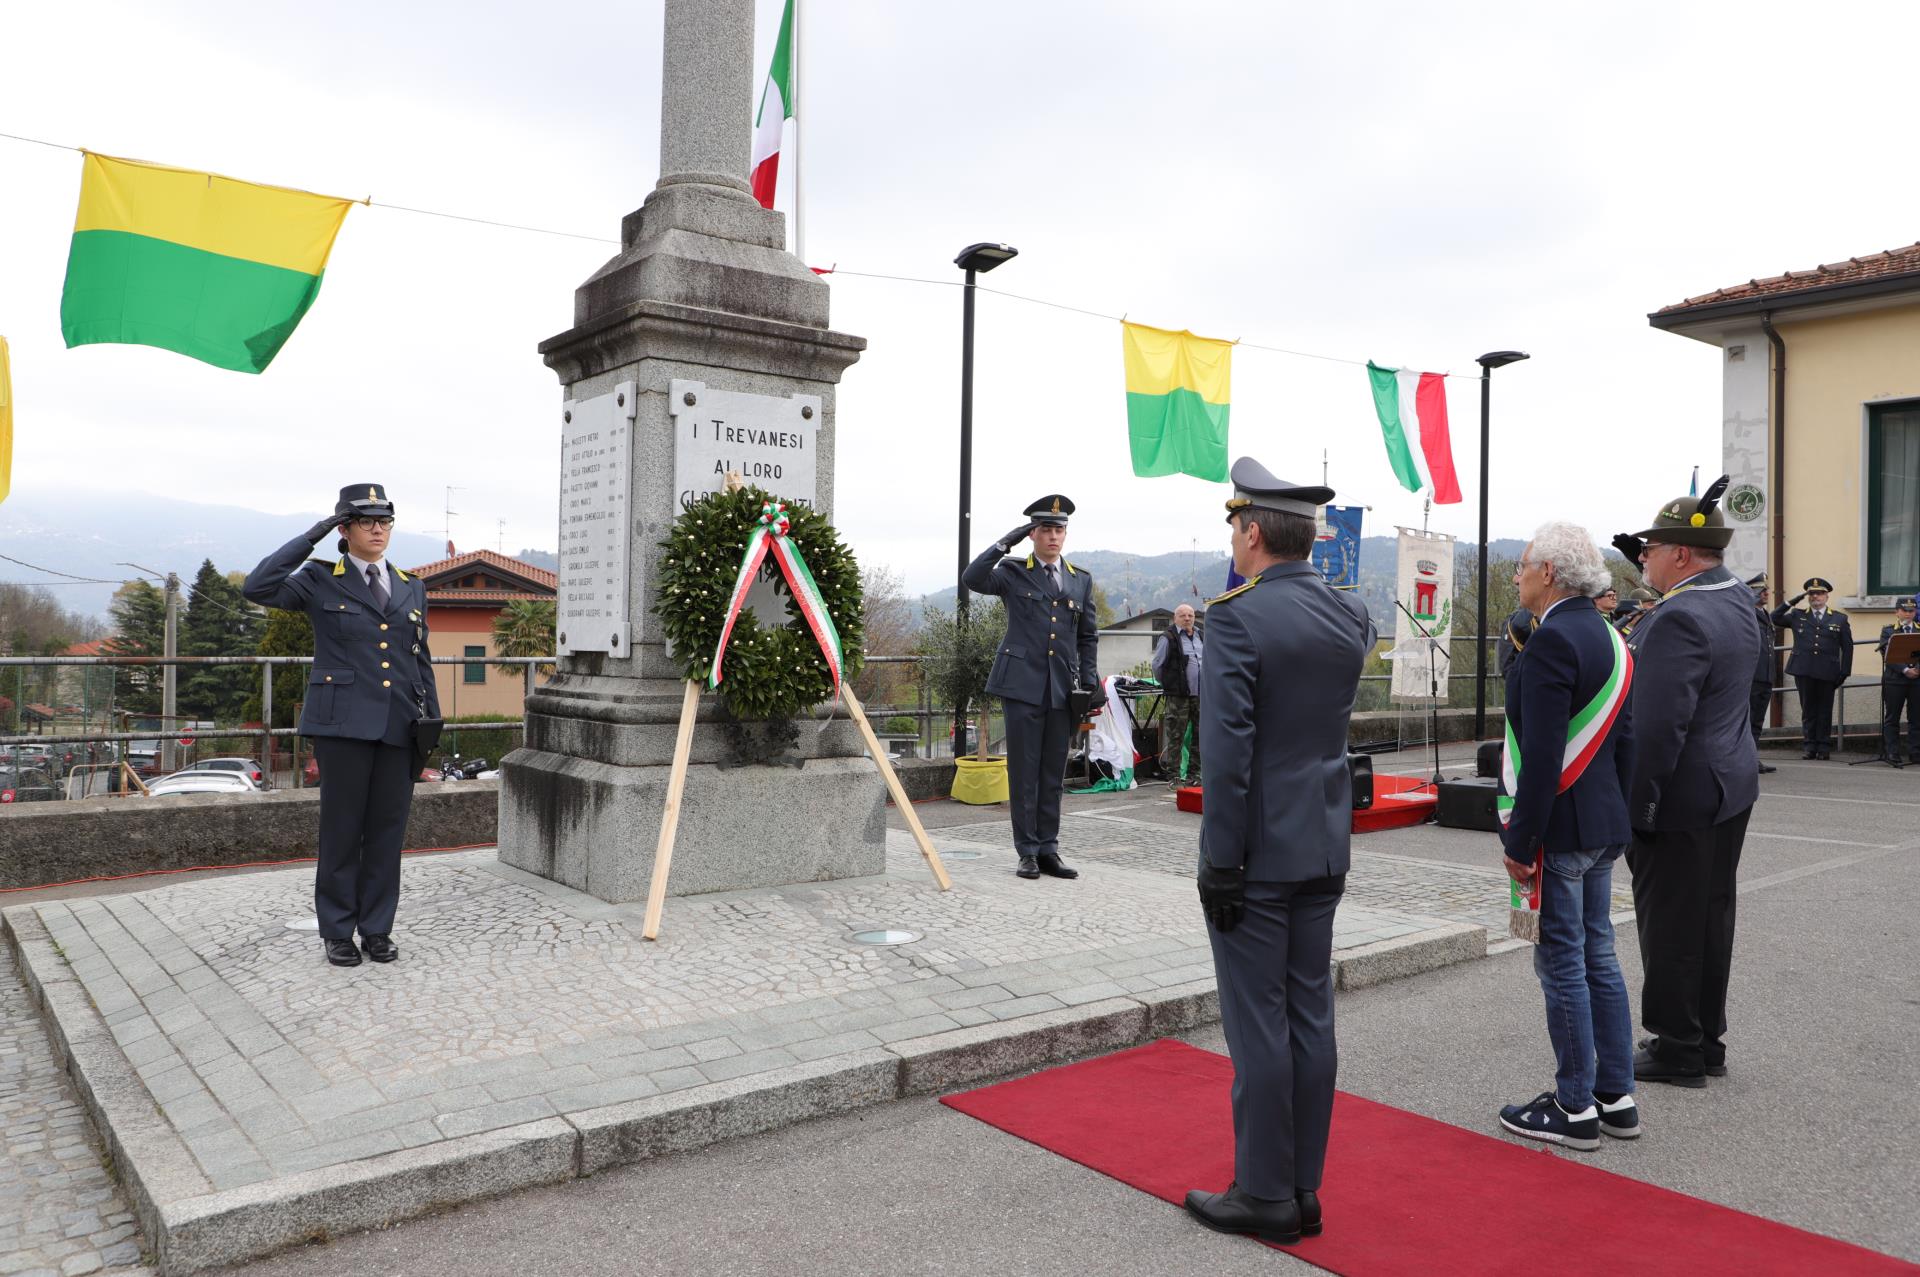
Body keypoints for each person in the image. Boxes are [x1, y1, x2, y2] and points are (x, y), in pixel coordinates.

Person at [1183, 458, 1375, 1246]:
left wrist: (1221, 861)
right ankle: (1303, 1187)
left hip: (1257, 852)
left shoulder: (1235, 618)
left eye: (1235, 525)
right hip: (1324, 844)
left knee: (1259, 1023)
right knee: (1309, 1016)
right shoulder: (1349, 615)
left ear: (1253, 531)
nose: (1234, 538)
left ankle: (1264, 1193)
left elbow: (1228, 751)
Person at [243, 484, 440, 968]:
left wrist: (431, 721)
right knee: (341, 832)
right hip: (343, 726)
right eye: (366, 521)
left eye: (385, 521)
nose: (378, 529)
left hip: (399, 726)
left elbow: (420, 660)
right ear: (344, 529)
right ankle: (336, 931)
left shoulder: (410, 584)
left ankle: (376, 929)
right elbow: (257, 586)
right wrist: (314, 535)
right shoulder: (318, 578)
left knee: (387, 833)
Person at [1614, 477, 1764, 1088]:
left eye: (1649, 549)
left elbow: (1656, 732)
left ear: (1680, 554)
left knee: (1671, 924)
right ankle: (1706, 1039)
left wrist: (1638, 810)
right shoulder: (1735, 600)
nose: (1642, 558)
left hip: (1681, 795)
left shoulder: (1677, 618)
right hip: (1729, 785)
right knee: (1710, 918)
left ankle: (1677, 1048)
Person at [1494, 524, 1638, 1153]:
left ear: (1549, 572)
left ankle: (1575, 1106)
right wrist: (1617, 816)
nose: (1518, 575)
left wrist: (1520, 844)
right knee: (1598, 956)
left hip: (1561, 830)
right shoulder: (1612, 636)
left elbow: (1544, 755)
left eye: (1523, 566)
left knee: (1562, 965)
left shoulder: (1552, 642)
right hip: (1603, 823)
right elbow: (1628, 743)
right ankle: (1617, 1095)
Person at [962, 494, 1101, 880]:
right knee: (1025, 772)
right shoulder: (1012, 571)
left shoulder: (1080, 580)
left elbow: (1088, 636)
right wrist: (1006, 542)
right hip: (1022, 685)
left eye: (1059, 530)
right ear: (1033, 534)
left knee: (1053, 773)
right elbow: (973, 578)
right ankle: (1025, 851)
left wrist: (1089, 681)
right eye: (1045, 530)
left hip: (1062, 689)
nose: (1053, 537)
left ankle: (1048, 850)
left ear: (1065, 535)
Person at [1770, 577, 1853, 759]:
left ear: (1826, 596)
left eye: (1820, 593)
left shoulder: (1839, 618)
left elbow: (1847, 647)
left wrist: (1845, 671)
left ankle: (1823, 747)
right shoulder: (1797, 615)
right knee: (1808, 710)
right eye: (1812, 593)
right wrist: (1791, 601)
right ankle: (1809, 746)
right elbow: (1774, 617)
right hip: (1804, 670)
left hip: (1827, 671)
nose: (1816, 597)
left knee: (1824, 710)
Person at [1151, 603, 1204, 783]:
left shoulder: (1200, 636)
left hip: (1201, 695)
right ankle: (1173, 776)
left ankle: (1194, 775)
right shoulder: (1168, 637)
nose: (1187, 618)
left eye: (1190, 615)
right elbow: (1157, 665)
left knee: (1200, 736)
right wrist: (1170, 684)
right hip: (1178, 695)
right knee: (1176, 736)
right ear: (1175, 618)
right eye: (1183, 615)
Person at [1877, 596, 1920, 767]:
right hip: (1895, 680)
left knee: (1916, 718)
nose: (1908, 614)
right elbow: (1887, 655)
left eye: (1912, 610)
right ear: (1897, 612)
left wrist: (1917, 670)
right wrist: (1905, 670)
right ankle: (1892, 752)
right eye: (1905, 610)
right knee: (1892, 718)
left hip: (1917, 680)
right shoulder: (1889, 631)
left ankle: (1915, 752)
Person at [1747, 574, 1776, 774]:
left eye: (1766, 590)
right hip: (1751, 676)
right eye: (1762, 590)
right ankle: (1746, 760)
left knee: (1757, 721)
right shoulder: (1746, 614)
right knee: (1747, 720)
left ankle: (1753, 757)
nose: (1766, 593)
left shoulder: (1765, 614)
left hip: (1765, 675)